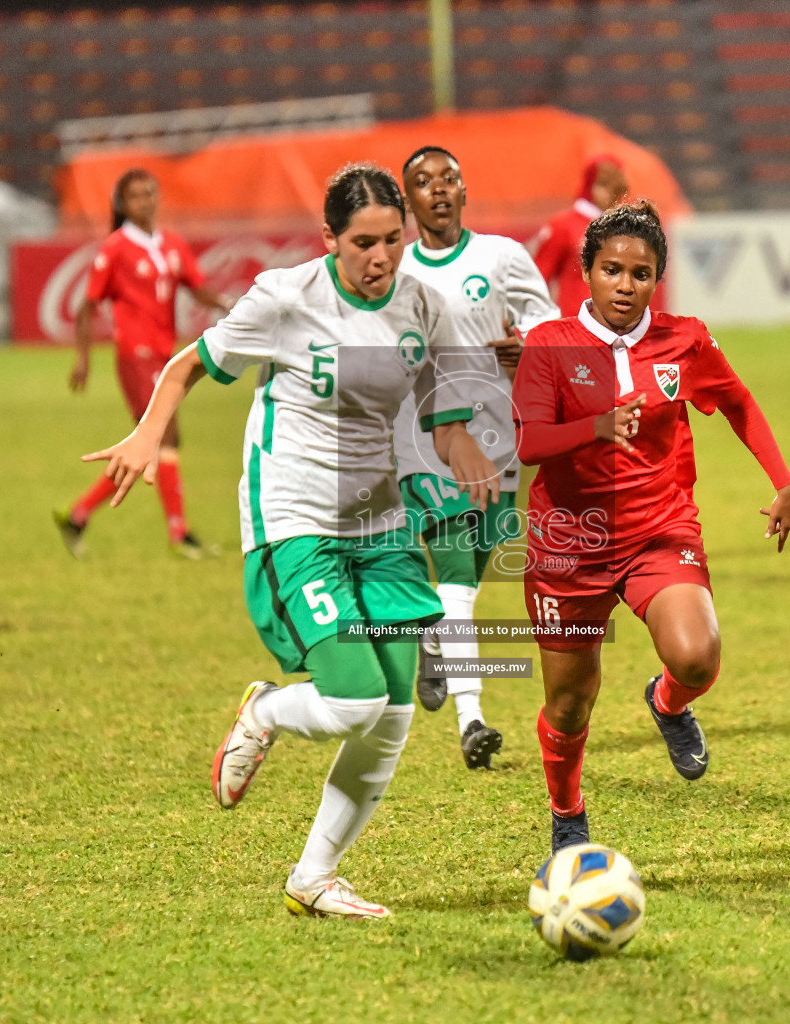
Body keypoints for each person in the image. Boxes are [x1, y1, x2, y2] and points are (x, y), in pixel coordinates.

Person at [84, 164, 498, 919]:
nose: (381, 258)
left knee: (395, 713)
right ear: (330, 240)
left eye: (393, 241)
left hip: (380, 523)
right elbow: (189, 365)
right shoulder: (285, 299)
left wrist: (460, 442)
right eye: (363, 243)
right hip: (294, 520)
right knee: (354, 700)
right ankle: (266, 712)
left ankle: (314, 878)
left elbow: (437, 396)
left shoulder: (421, 304)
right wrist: (148, 433)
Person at [510, 200, 790, 853]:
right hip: (569, 543)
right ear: (587, 271)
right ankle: (567, 814)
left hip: (658, 529)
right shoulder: (551, 345)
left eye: (640, 274)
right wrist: (597, 426)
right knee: (570, 704)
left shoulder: (685, 339)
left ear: (656, 280)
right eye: (611, 270)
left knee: (697, 656)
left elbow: (736, 402)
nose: (625, 285)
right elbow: (527, 443)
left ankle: (667, 702)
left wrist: (782, 482)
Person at [392, 144, 560, 770]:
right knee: (458, 574)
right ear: (407, 200)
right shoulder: (397, 272)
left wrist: (527, 348)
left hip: (497, 435)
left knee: (472, 571)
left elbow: (549, 327)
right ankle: (473, 720)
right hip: (425, 438)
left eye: (449, 178)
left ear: (465, 190)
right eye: (423, 182)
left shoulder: (501, 257)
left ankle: (432, 638)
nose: (438, 189)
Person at [53, 168, 229, 559]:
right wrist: (82, 358)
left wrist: (231, 307)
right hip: (135, 354)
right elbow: (87, 306)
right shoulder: (115, 248)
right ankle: (179, 535)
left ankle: (78, 514)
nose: (145, 202)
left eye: (150, 193)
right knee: (162, 437)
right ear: (122, 204)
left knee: (153, 442)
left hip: (166, 354)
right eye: (135, 196)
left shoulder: (171, 244)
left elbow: (196, 287)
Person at [528, 154, 628, 318]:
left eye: (617, 188)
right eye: (604, 185)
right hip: (576, 327)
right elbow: (538, 278)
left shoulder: (623, 228)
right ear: (591, 185)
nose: (611, 194)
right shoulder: (564, 225)